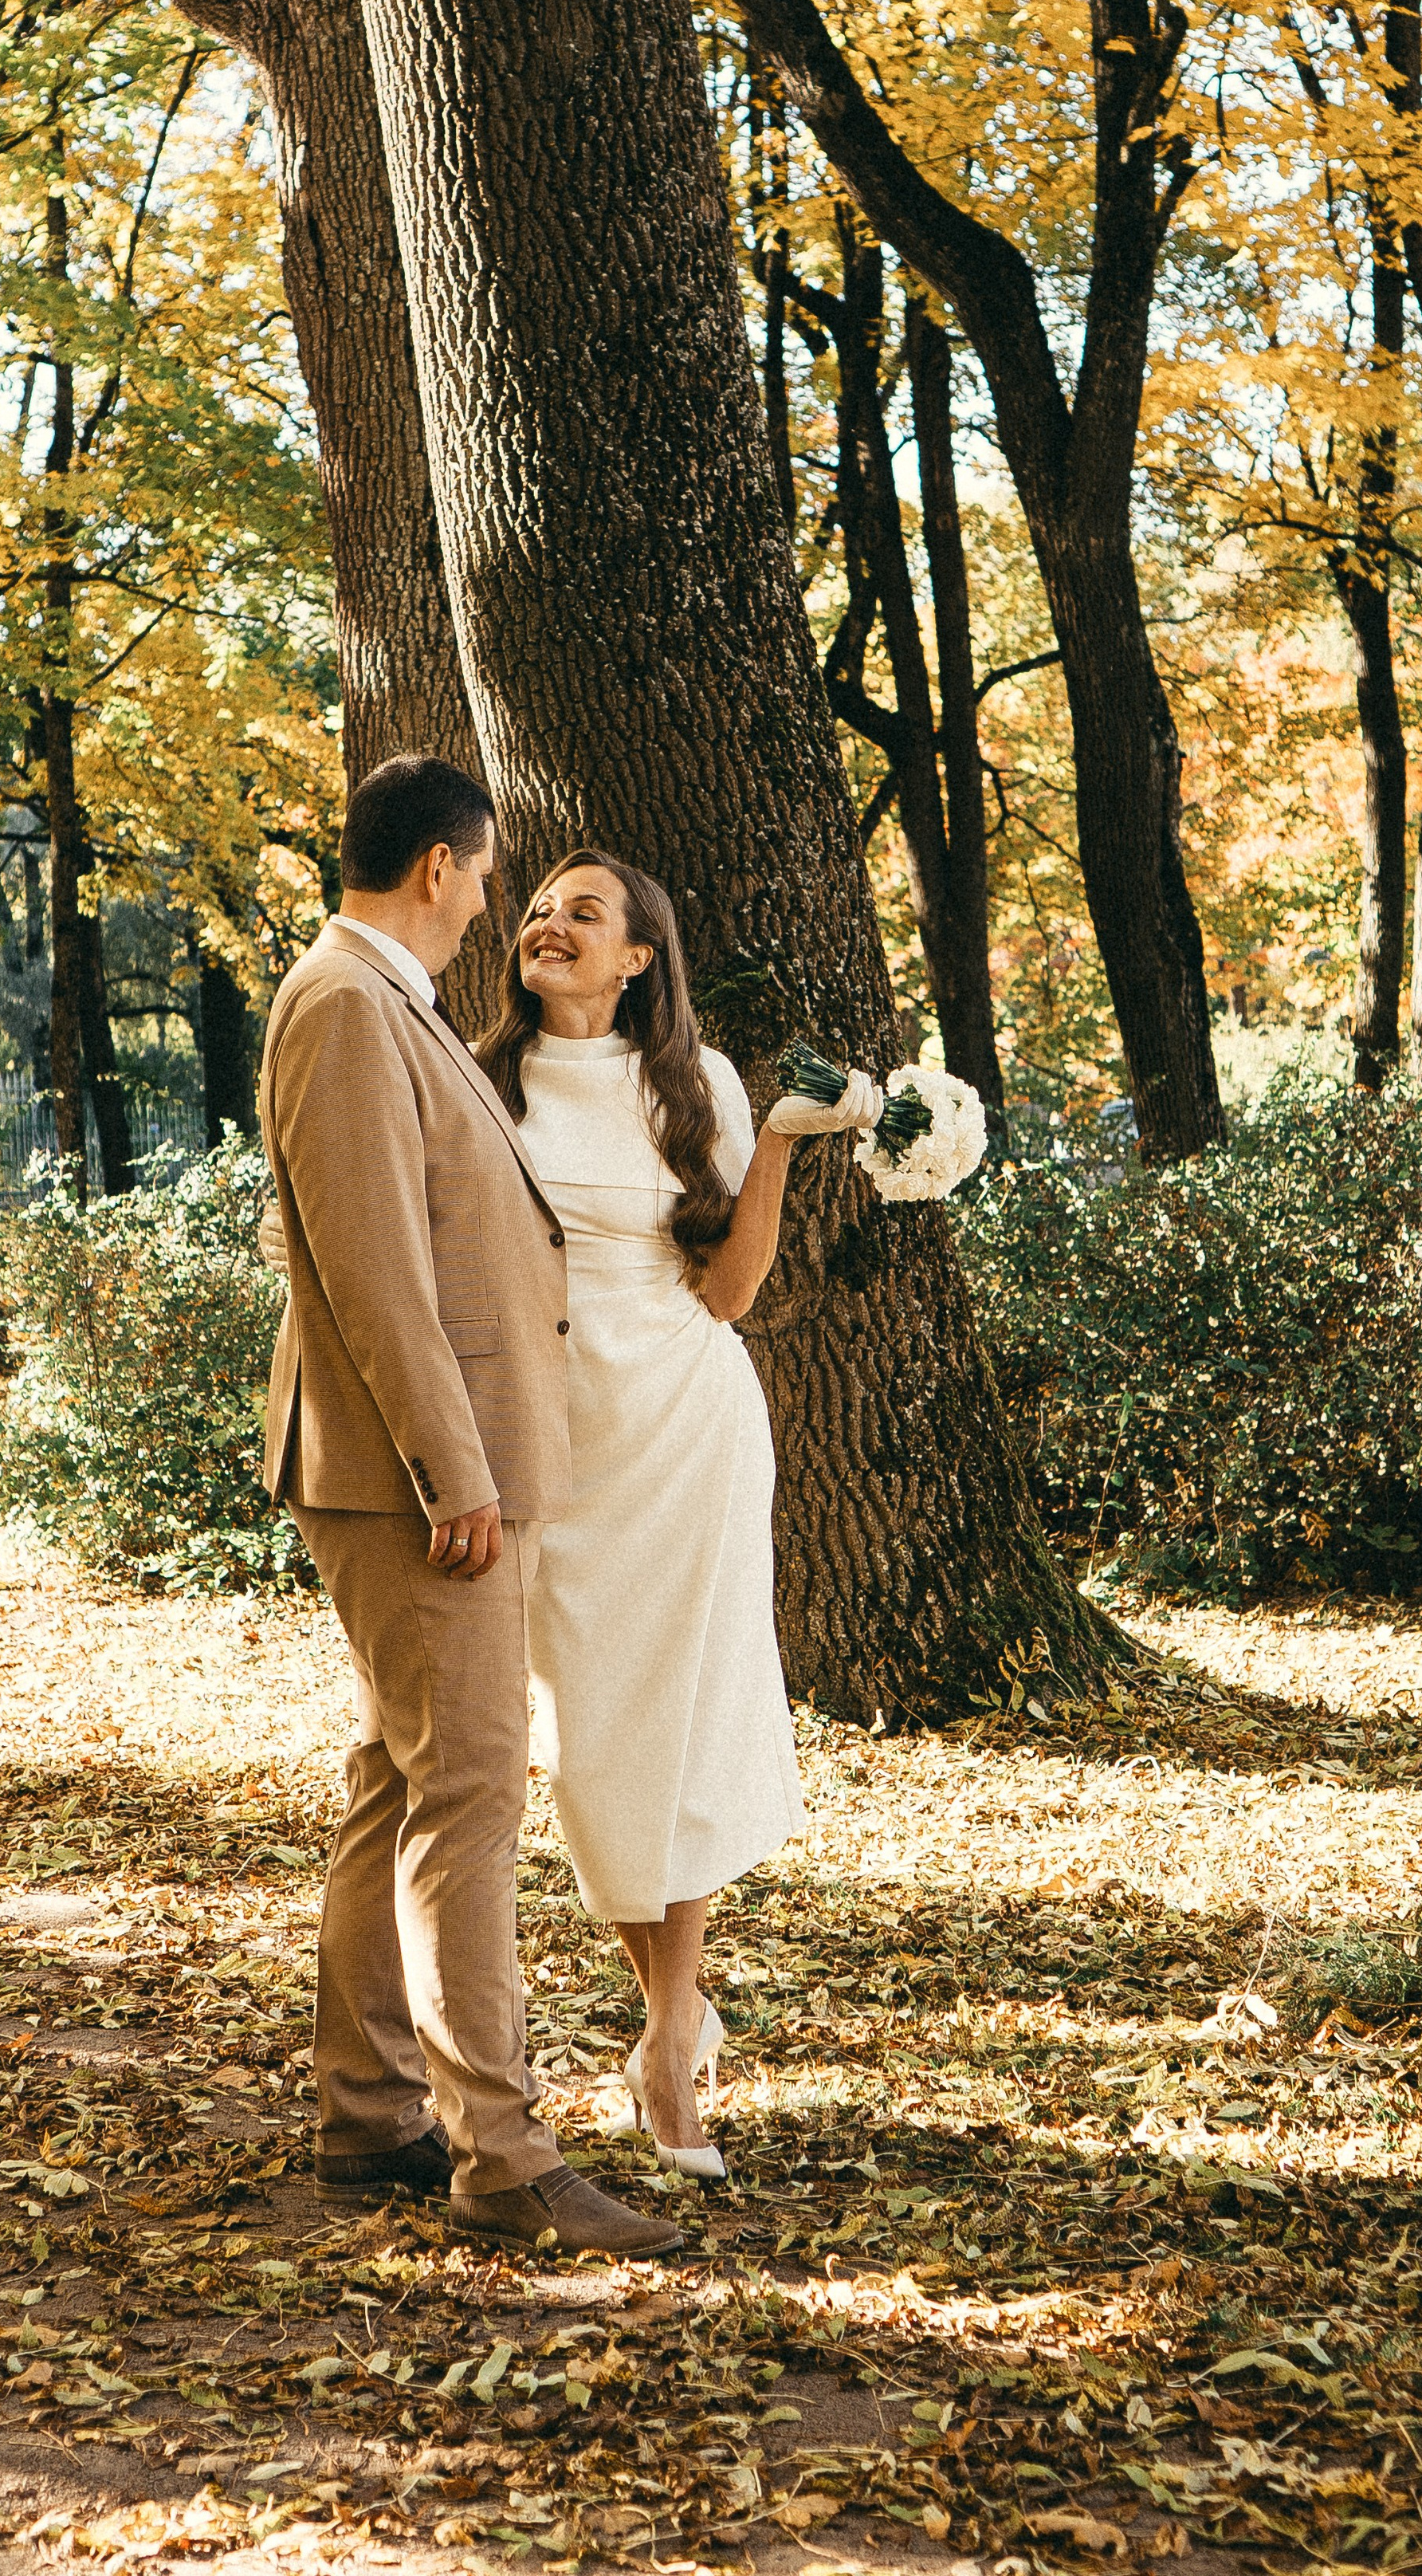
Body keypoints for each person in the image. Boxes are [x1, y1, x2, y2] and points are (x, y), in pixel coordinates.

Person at [257, 761, 680, 2257]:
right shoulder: (346, 1008)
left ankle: (370, 2112)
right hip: (415, 1484)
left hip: (428, 1475)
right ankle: (499, 2155)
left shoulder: (386, 1004)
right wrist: (457, 1475)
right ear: (441, 865)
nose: (497, 898)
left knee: (403, 1779)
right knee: (474, 1800)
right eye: (492, 871)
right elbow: (376, 1271)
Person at [473, 851, 879, 2177]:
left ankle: (663, 2041)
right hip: (554, 1447)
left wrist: (771, 1142)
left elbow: (731, 1292)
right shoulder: (478, 1076)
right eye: (539, 907)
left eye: (583, 913)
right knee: (592, 1742)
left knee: (683, 1722)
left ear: (639, 956)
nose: (549, 921)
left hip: (688, 1429)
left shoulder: (687, 1083)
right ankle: (677, 2015)